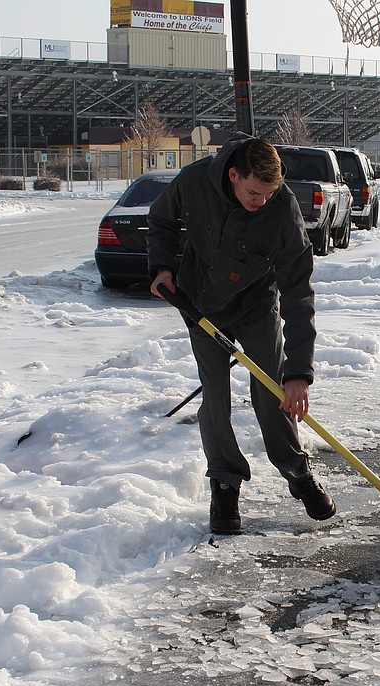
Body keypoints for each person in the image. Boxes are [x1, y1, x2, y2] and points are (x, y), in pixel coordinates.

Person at [147, 134, 336, 534]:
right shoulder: (194, 182)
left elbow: (299, 293)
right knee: (215, 398)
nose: (261, 201)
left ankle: (298, 474)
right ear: (233, 175)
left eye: (269, 193)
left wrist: (298, 373)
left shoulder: (282, 210)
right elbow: (161, 219)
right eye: (254, 192)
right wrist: (162, 267)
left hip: (255, 308)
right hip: (200, 305)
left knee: (273, 394)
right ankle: (225, 485)